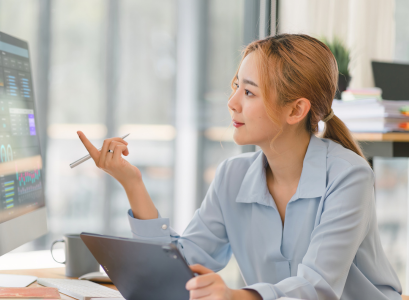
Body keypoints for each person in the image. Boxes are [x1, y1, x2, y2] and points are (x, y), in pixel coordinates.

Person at [77, 34, 402, 300]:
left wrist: (237, 297)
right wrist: (132, 183)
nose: (232, 103)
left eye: (248, 92)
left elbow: (317, 287)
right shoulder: (233, 176)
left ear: (296, 110)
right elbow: (182, 264)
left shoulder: (349, 176)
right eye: (236, 86)